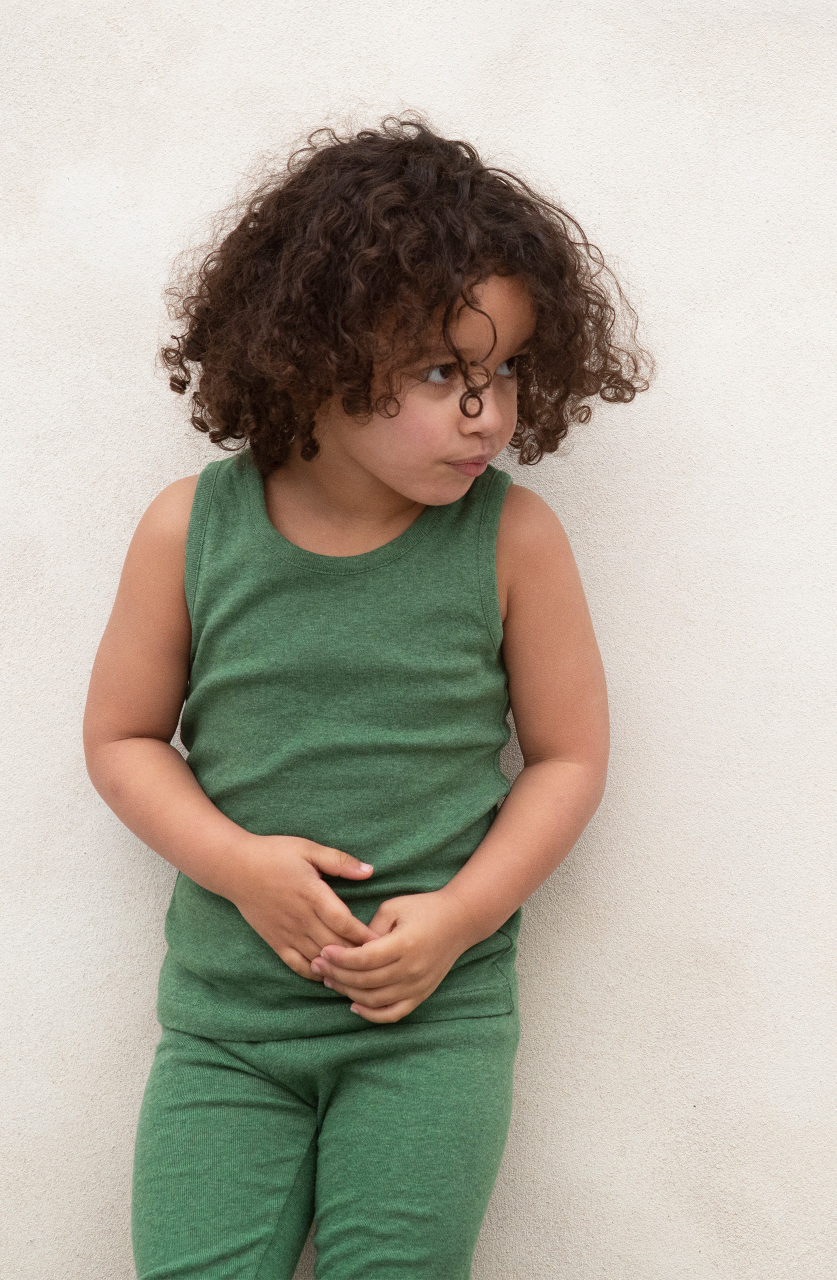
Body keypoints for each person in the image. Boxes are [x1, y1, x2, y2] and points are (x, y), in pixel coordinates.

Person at [83, 116, 650, 1280]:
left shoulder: (514, 541)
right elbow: (123, 736)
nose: (487, 413)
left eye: (505, 371)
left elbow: (569, 758)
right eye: (444, 373)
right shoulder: (191, 530)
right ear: (316, 353)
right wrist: (238, 863)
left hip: (430, 1023)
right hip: (227, 1029)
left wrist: (460, 916)